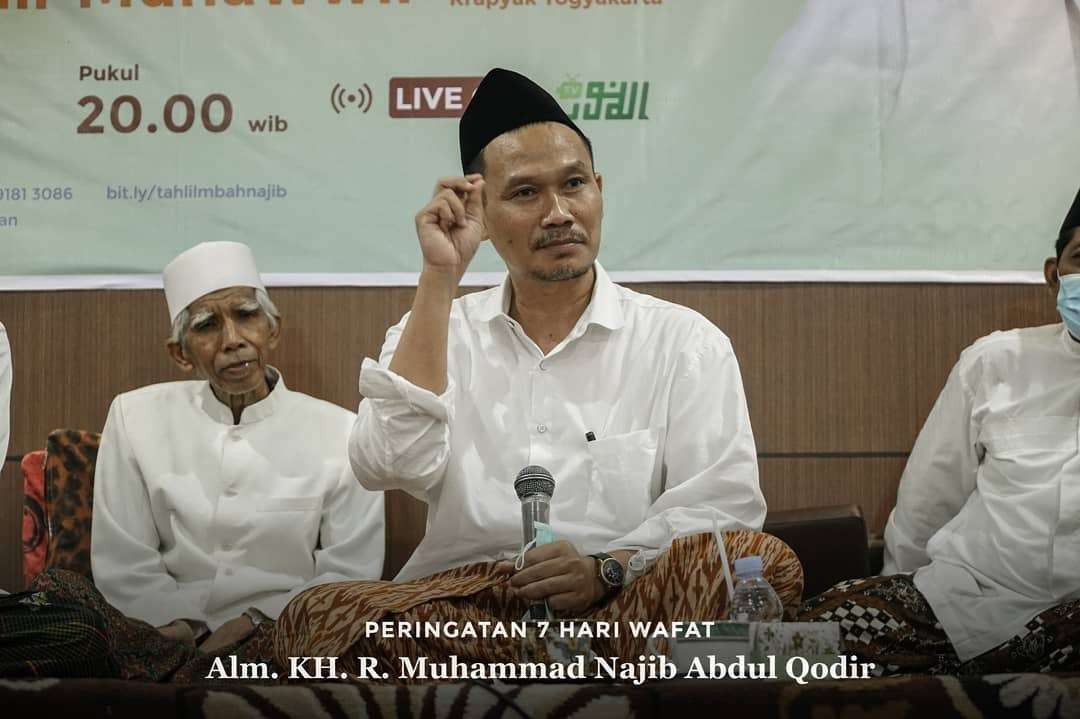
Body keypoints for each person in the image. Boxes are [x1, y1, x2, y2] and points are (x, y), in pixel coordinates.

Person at [275, 69, 802, 673]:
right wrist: (439, 277)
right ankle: (569, 669)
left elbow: (723, 506)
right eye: (525, 193)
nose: (559, 213)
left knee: (751, 559)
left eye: (574, 184)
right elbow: (386, 465)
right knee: (314, 617)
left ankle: (534, 671)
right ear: (481, 210)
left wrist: (604, 568)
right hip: (466, 603)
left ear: (599, 189)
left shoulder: (684, 342)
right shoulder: (435, 328)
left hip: (622, 597)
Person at [11, 241, 386, 681]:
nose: (233, 341)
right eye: (207, 326)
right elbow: (123, 556)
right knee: (63, 600)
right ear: (181, 354)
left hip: (284, 630)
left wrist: (253, 622)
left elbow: (349, 571)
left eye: (247, 316)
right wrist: (183, 625)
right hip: (156, 628)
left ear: (274, 330)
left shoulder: (342, 430)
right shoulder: (135, 416)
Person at [799, 189, 1080, 675]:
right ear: (1053, 273)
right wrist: (899, 598)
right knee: (805, 637)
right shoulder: (996, 362)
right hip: (967, 603)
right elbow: (927, 502)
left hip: (1073, 625)